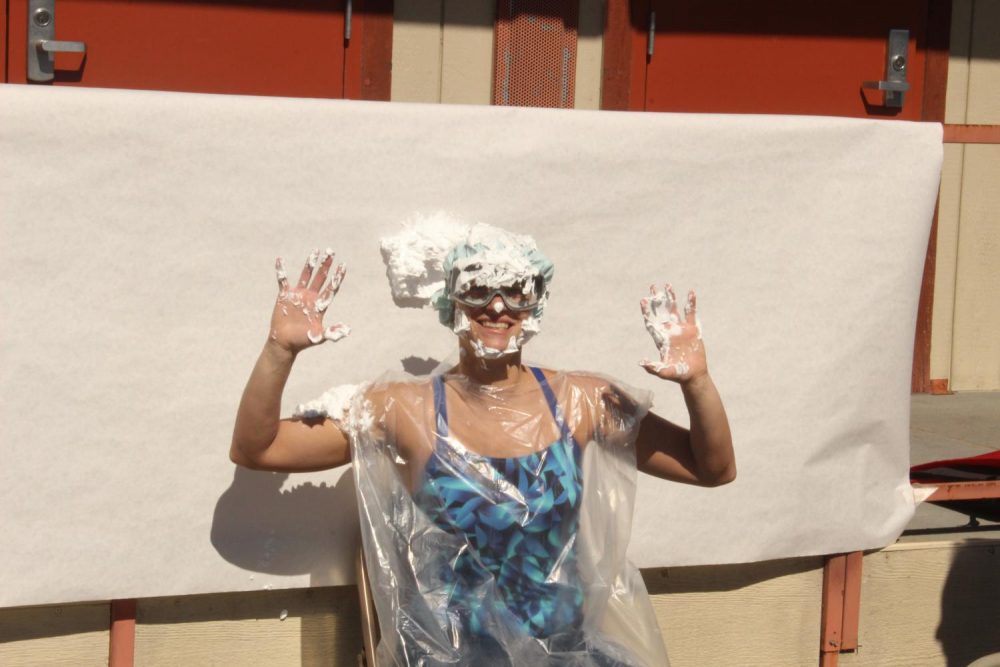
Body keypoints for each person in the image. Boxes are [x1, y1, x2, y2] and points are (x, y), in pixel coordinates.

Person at [231, 222, 735, 666]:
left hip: (567, 657)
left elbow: (710, 468)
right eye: (478, 289)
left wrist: (697, 383)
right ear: (452, 301)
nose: (497, 306)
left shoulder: (581, 401)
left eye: (515, 290)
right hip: (454, 658)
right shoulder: (408, 410)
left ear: (535, 302)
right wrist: (280, 350)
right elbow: (260, 449)